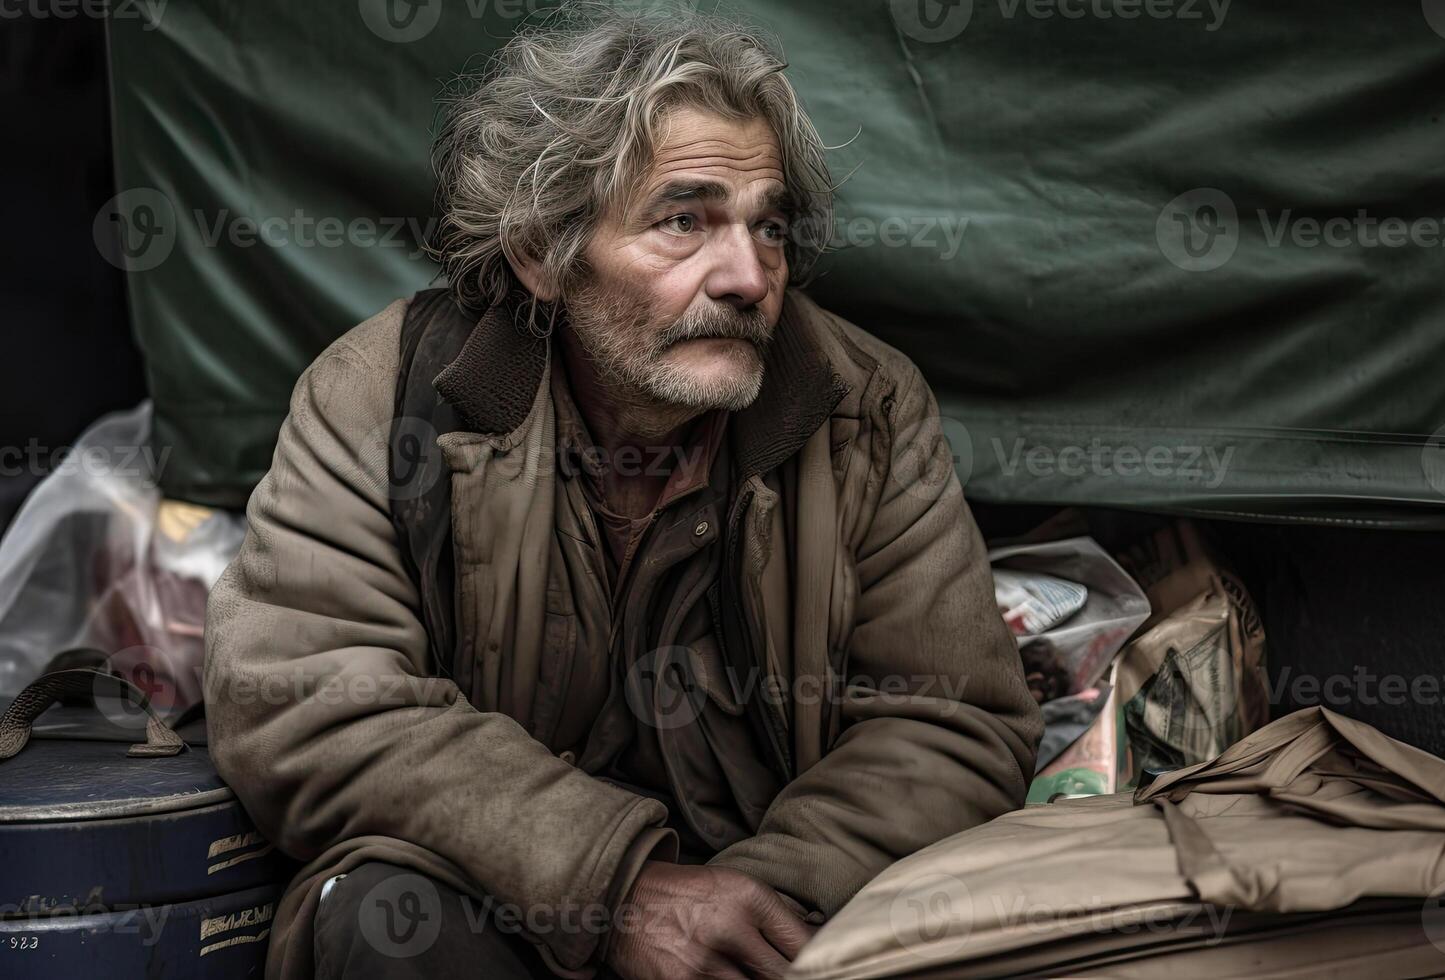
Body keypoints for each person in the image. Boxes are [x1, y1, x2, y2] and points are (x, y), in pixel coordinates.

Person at [203, 6, 1041, 978]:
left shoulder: (863, 410)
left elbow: (953, 720)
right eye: (685, 220)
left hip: (780, 915)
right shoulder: (384, 395)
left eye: (768, 226)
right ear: (542, 253)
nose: (747, 275)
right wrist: (616, 890)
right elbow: (303, 692)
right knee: (393, 915)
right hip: (496, 906)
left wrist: (735, 918)